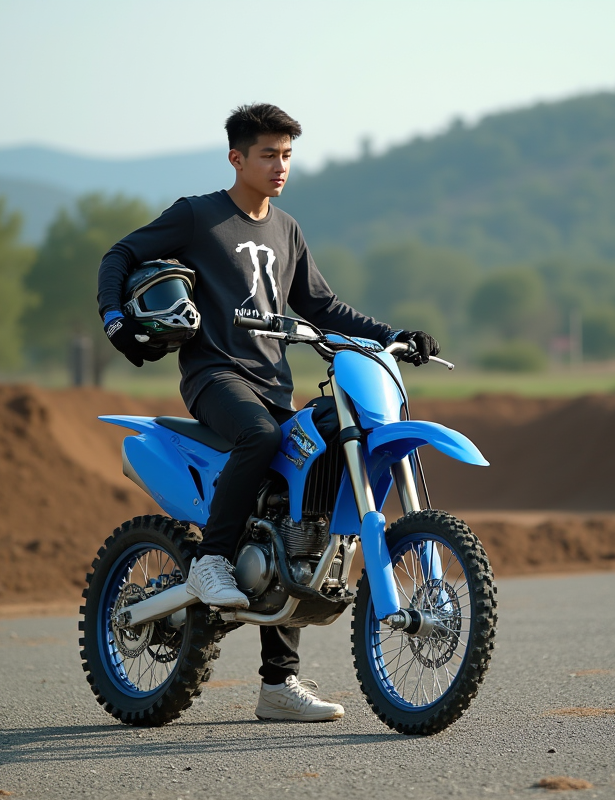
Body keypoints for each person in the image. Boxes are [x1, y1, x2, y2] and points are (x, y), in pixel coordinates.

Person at [96, 103, 439, 722]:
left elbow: (324, 305)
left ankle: (278, 686)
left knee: (297, 508)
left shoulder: (287, 228)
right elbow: (118, 255)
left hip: (274, 382)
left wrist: (395, 335)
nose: (280, 166)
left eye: (287, 155)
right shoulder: (198, 215)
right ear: (237, 158)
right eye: (267, 155)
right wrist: (116, 318)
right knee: (257, 438)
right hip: (215, 377)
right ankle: (208, 563)